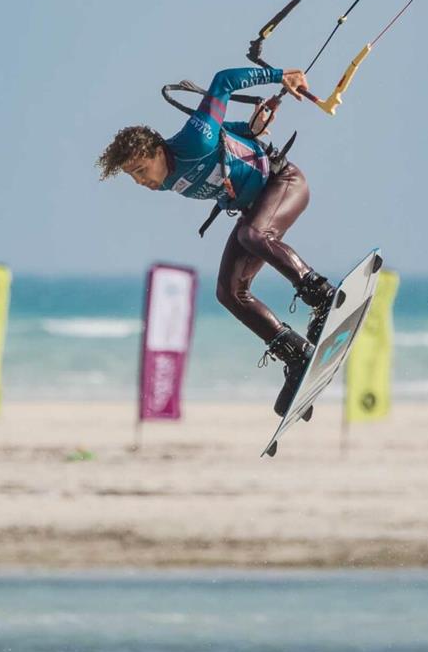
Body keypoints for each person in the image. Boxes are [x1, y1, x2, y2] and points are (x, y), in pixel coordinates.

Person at [96, 66, 337, 417]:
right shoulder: (165, 180)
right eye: (132, 176)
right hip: (256, 210)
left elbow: (223, 81)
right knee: (228, 292)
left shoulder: (194, 139)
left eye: (140, 171)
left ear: (157, 151)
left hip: (284, 182)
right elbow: (226, 137)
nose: (139, 182)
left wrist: (280, 75)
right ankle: (296, 356)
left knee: (251, 234)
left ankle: (322, 295)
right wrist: (250, 129)